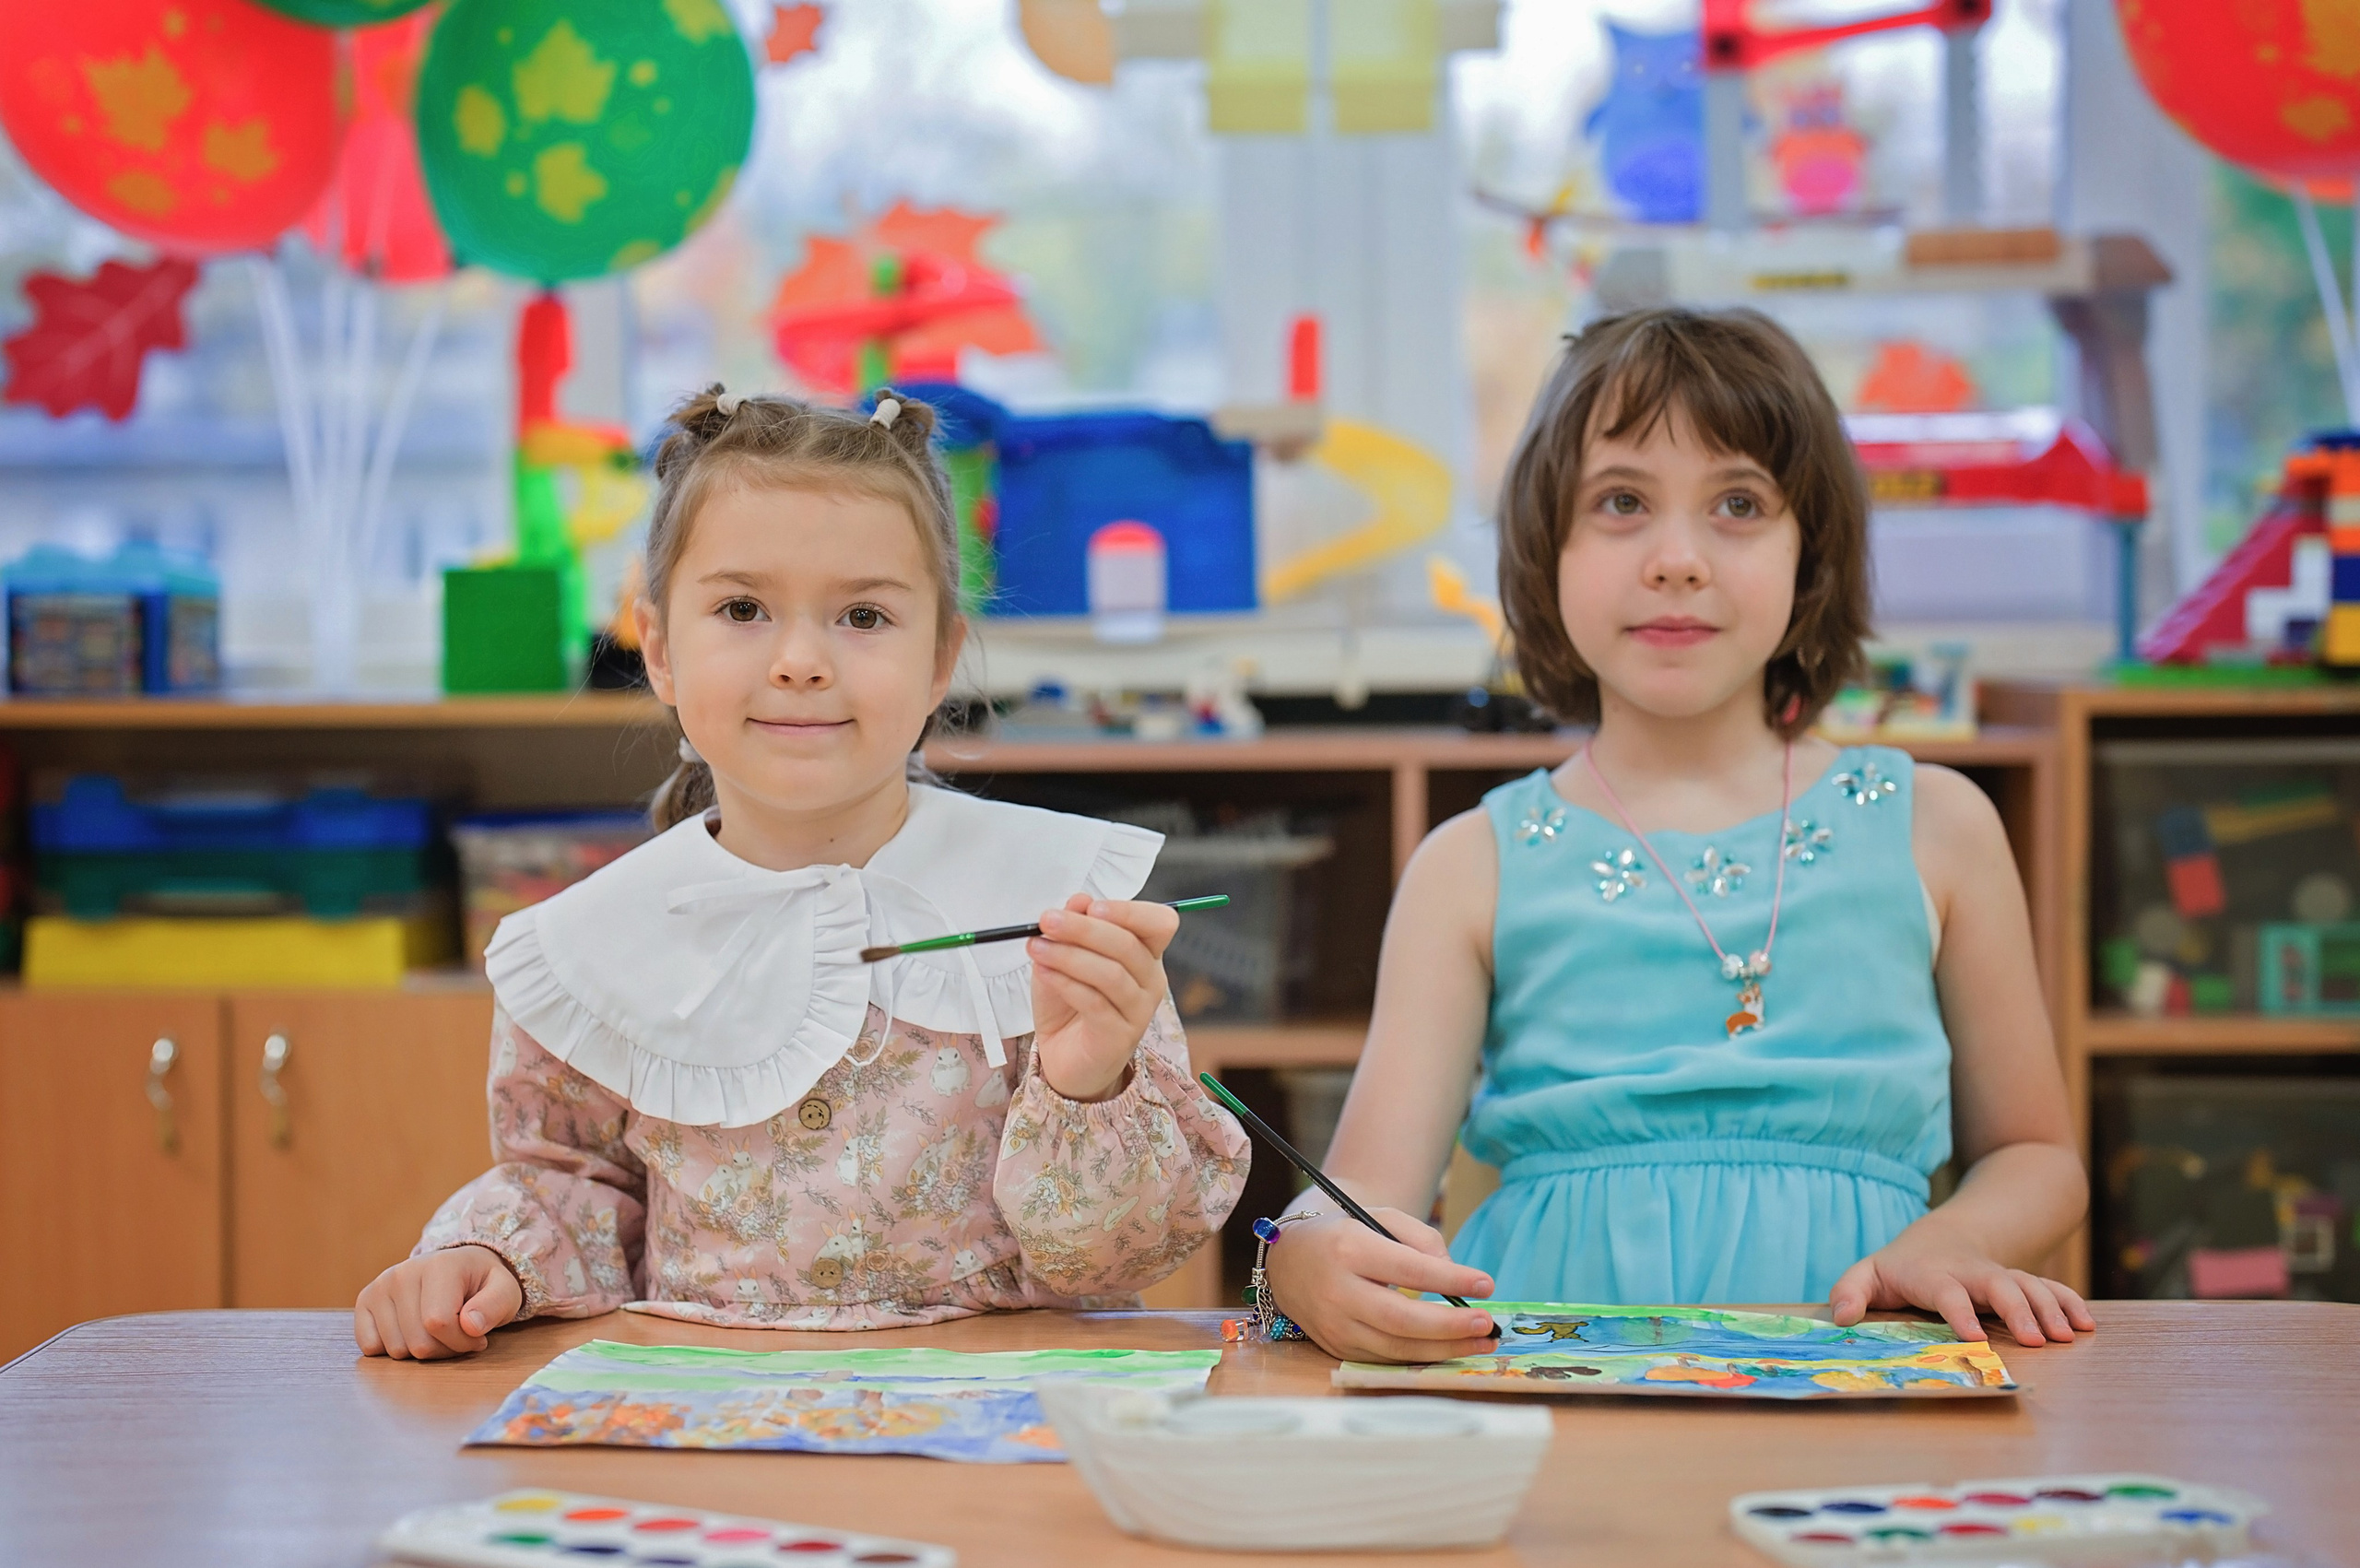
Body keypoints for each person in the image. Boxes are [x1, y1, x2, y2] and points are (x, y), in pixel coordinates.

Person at [1265, 309, 2093, 1364]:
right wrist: (1298, 1253)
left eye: (1738, 504)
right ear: (1544, 547)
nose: (1676, 559)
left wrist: (1954, 1241)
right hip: (1554, 1392)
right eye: (1621, 503)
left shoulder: (1940, 827)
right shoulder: (1469, 865)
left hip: (1865, 1373)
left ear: (1812, 555)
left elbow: (2035, 1153)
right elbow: (1358, 1202)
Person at [355, 387, 1247, 1359]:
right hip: (715, 1433)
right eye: (742, 608)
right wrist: (484, 1259)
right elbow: (569, 1190)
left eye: (863, 615)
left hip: (994, 1435)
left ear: (942, 656)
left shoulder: (1064, 900)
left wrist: (1088, 1085)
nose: (799, 661)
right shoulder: (590, 944)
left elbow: (1119, 1262)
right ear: (655, 646)